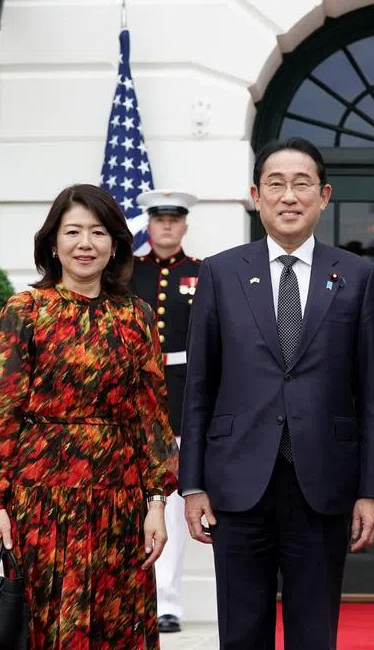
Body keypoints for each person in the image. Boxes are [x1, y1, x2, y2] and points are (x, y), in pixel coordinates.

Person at [179, 137, 374, 650]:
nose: (289, 196)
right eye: (276, 184)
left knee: (314, 630)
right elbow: (199, 383)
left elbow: (373, 393)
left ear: (324, 196)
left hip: (324, 482)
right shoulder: (221, 272)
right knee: (242, 628)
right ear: (256, 195)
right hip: (237, 480)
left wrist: (370, 489)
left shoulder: (358, 276)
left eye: (302, 185)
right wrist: (192, 484)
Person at [0, 183, 179, 648]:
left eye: (98, 232)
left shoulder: (136, 316)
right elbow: (3, 413)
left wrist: (157, 502)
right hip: (41, 504)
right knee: (45, 625)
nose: (86, 244)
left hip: (119, 504)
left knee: (115, 625)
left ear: (116, 244)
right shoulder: (25, 311)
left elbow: (151, 418)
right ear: (53, 243)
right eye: (73, 232)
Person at [130, 188, 201, 634]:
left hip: (180, 397)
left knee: (172, 505)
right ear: (149, 225)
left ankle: (167, 602)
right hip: (135, 397)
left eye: (175, 220)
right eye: (160, 220)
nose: (167, 226)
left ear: (184, 225)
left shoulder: (202, 273)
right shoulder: (127, 273)